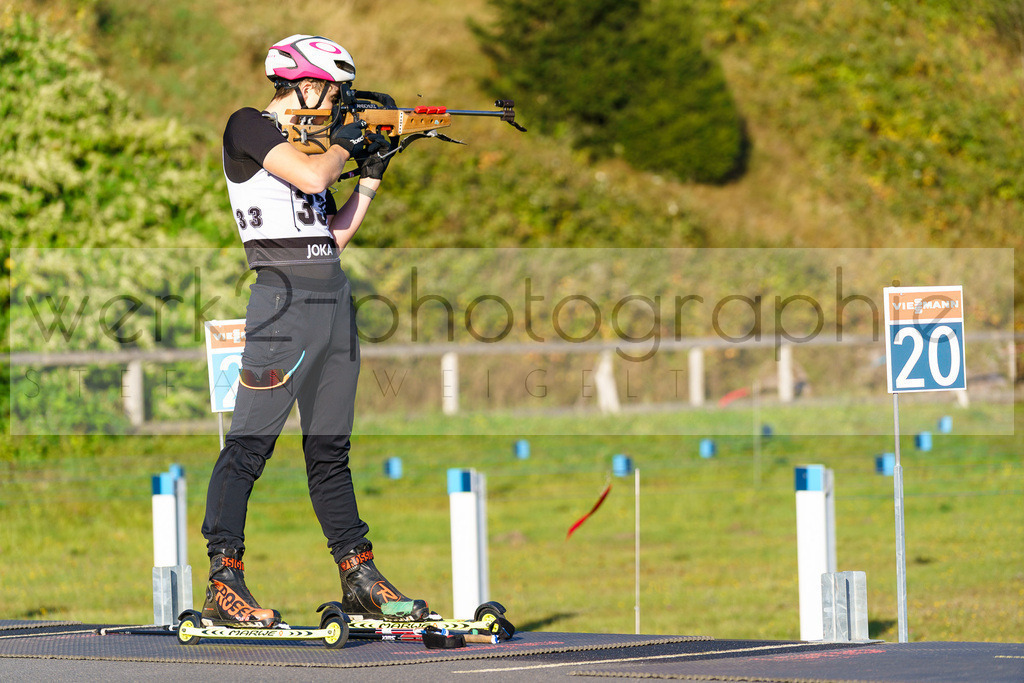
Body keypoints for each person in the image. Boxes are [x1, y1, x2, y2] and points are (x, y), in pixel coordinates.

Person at [200, 34, 428, 626]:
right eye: (329, 90)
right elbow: (309, 179)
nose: (334, 102)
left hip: (332, 303)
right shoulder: (248, 127)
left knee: (330, 451)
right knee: (249, 446)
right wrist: (349, 142)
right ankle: (224, 578)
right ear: (299, 84)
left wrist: (370, 177)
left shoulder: (308, 150)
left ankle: (360, 577)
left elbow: (331, 238)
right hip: (283, 306)